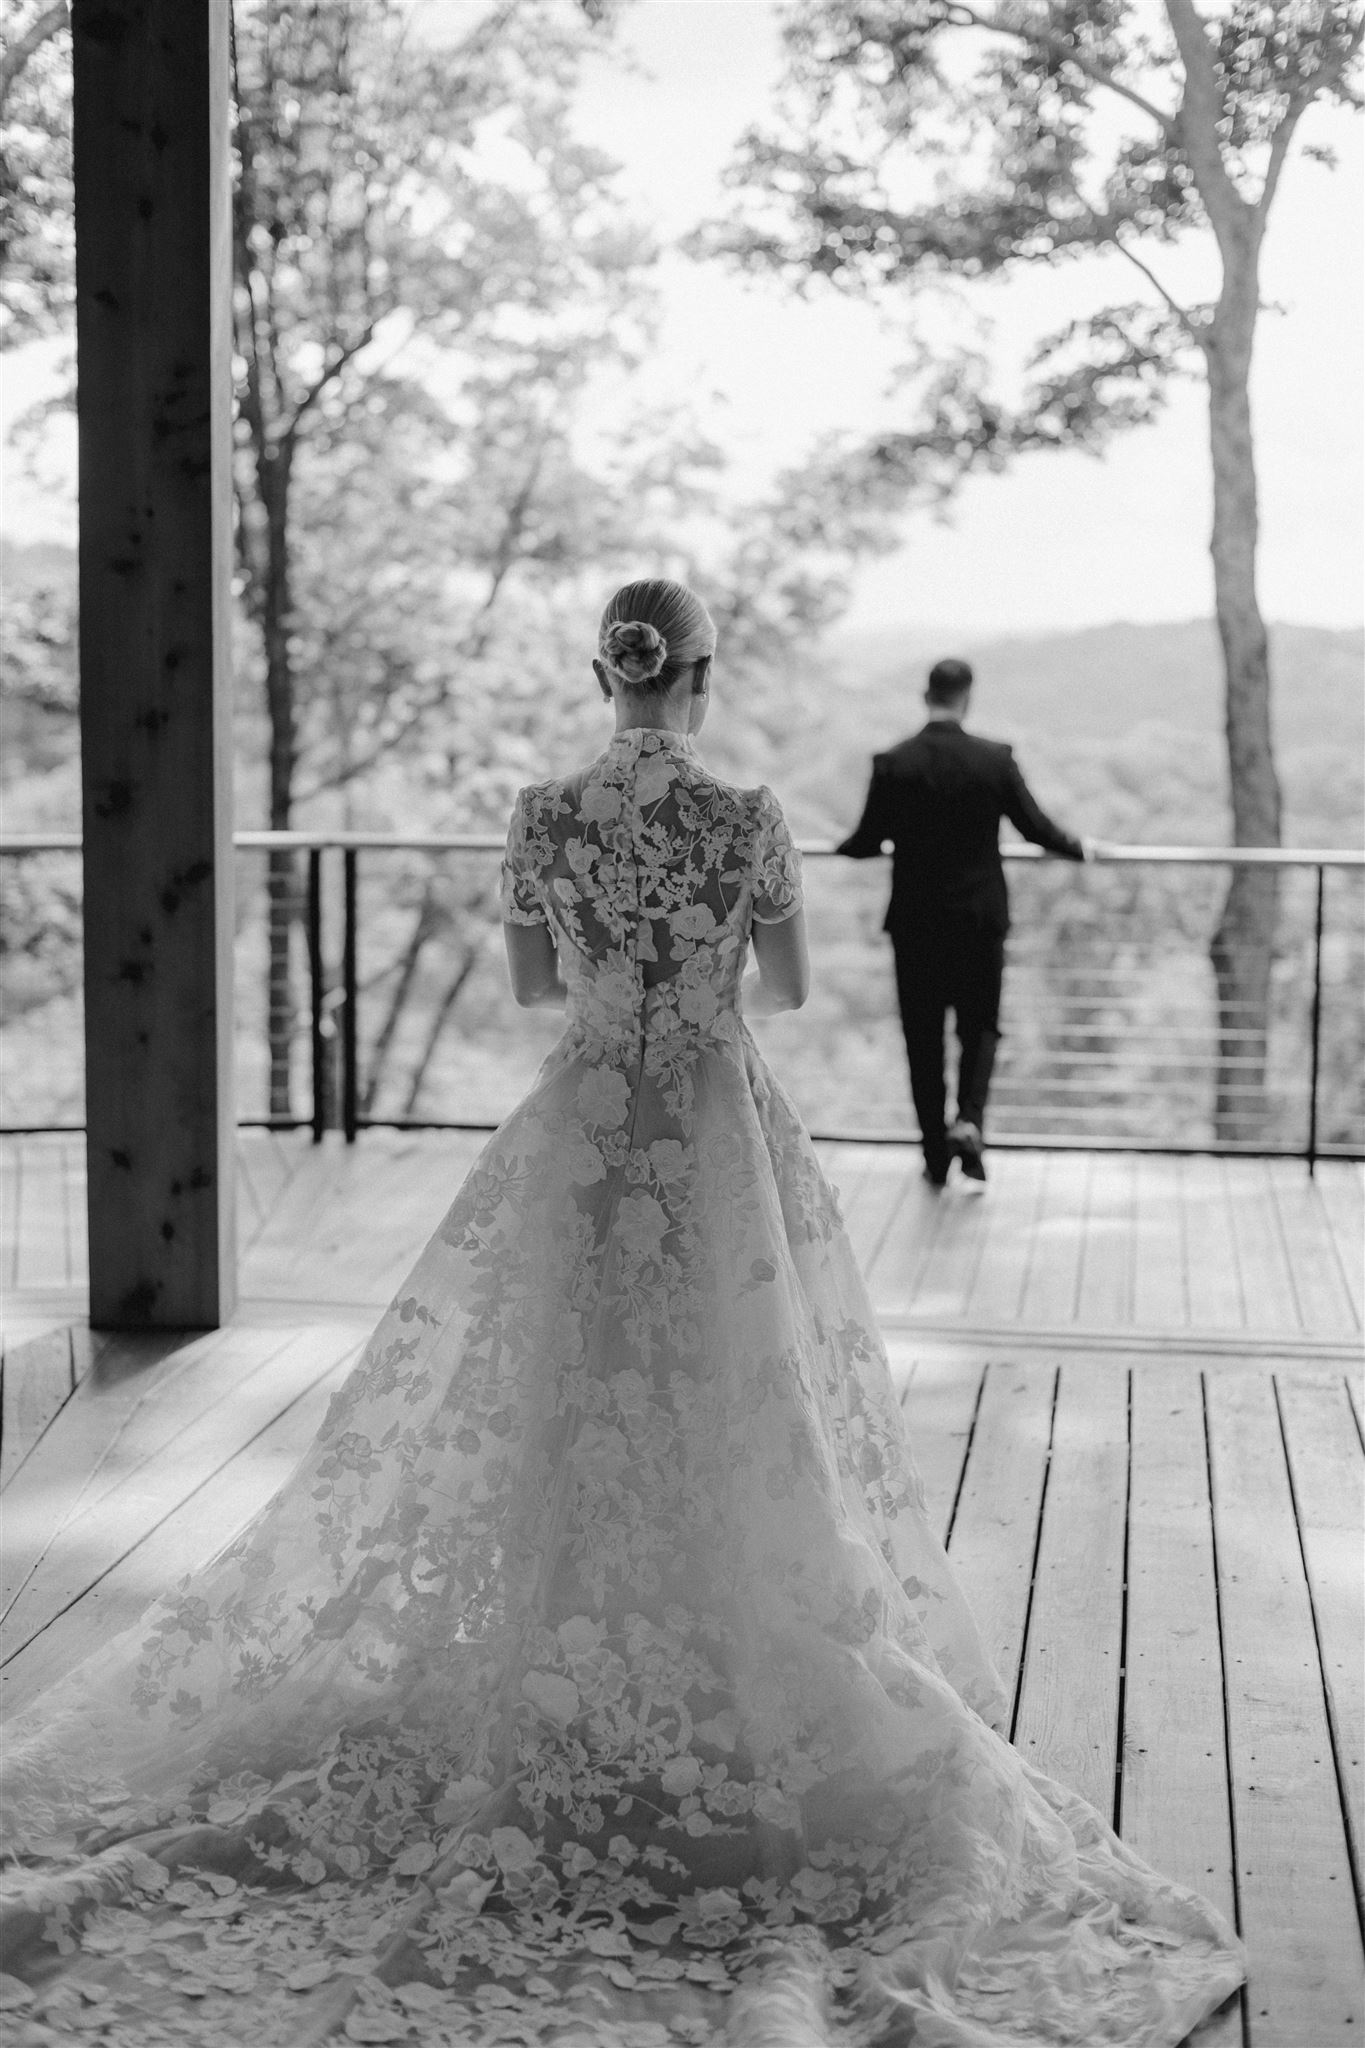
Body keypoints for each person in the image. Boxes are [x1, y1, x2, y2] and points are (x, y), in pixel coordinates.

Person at [1, 583, 1240, 2045]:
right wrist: (689, 991)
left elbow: (534, 985)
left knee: (563, 1394)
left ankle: (564, 1644)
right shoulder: (748, 813)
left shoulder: (540, 813)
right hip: (710, 1132)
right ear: (700, 675)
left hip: (585, 1131)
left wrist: (616, 993)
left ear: (605, 671)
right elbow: (777, 987)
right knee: (732, 1398)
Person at [837, 656, 1090, 1187]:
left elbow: (865, 840)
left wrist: (841, 847)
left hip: (916, 923)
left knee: (923, 1037)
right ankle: (970, 1122)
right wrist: (1082, 849)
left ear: (924, 695)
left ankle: (934, 1153)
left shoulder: (894, 763)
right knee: (980, 1029)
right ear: (967, 697)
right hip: (979, 920)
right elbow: (1037, 828)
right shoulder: (995, 760)